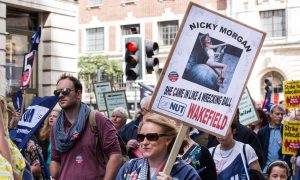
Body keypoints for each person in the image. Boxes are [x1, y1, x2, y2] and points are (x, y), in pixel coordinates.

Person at [50, 73, 122, 180]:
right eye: (57, 92)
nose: (60, 95)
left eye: (65, 91)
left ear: (78, 94)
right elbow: (55, 159)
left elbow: (116, 155)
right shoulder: (57, 126)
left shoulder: (97, 119)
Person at [116, 113, 201, 179]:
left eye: (151, 137)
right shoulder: (129, 168)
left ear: (168, 140)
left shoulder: (186, 172)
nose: (144, 142)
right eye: (141, 137)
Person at [257, 104, 292, 173]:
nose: (280, 116)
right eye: (277, 114)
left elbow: (291, 151)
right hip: (266, 170)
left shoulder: (287, 130)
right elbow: (259, 152)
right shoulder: (262, 132)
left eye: (282, 114)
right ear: (270, 114)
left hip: (282, 170)